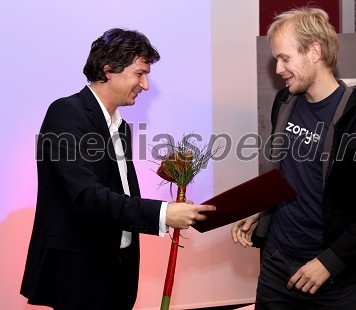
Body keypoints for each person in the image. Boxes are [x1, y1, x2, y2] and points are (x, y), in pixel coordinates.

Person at [20, 28, 215, 310]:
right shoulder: (66, 113)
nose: (145, 85)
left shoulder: (120, 126)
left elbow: (117, 192)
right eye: (139, 73)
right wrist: (163, 213)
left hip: (118, 269)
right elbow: (86, 195)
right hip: (80, 271)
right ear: (109, 69)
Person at [231, 7, 356, 309]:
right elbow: (289, 174)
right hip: (275, 265)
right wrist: (261, 208)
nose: (279, 68)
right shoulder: (285, 103)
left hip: (331, 278)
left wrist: (329, 262)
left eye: (285, 58)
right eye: (277, 59)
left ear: (314, 52)